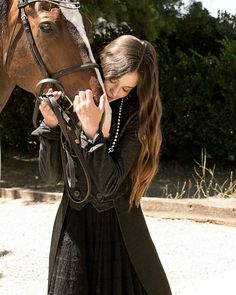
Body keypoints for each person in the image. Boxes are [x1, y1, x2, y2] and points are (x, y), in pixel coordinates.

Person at [33, 35, 172, 295]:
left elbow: (108, 186)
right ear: (103, 66)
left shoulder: (134, 116)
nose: (115, 92)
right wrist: (52, 127)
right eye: (113, 80)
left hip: (119, 231)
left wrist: (92, 133)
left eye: (127, 89)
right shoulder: (73, 101)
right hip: (74, 229)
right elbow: (51, 177)